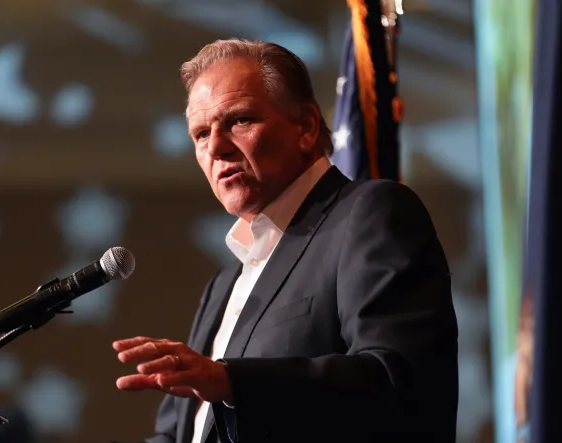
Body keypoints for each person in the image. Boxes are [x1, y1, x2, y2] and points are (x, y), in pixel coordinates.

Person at [112, 38, 459, 443]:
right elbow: (179, 434)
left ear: (307, 127)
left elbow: (397, 381)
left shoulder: (370, 214)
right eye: (201, 134)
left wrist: (231, 381)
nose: (217, 148)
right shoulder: (223, 285)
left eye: (239, 120)